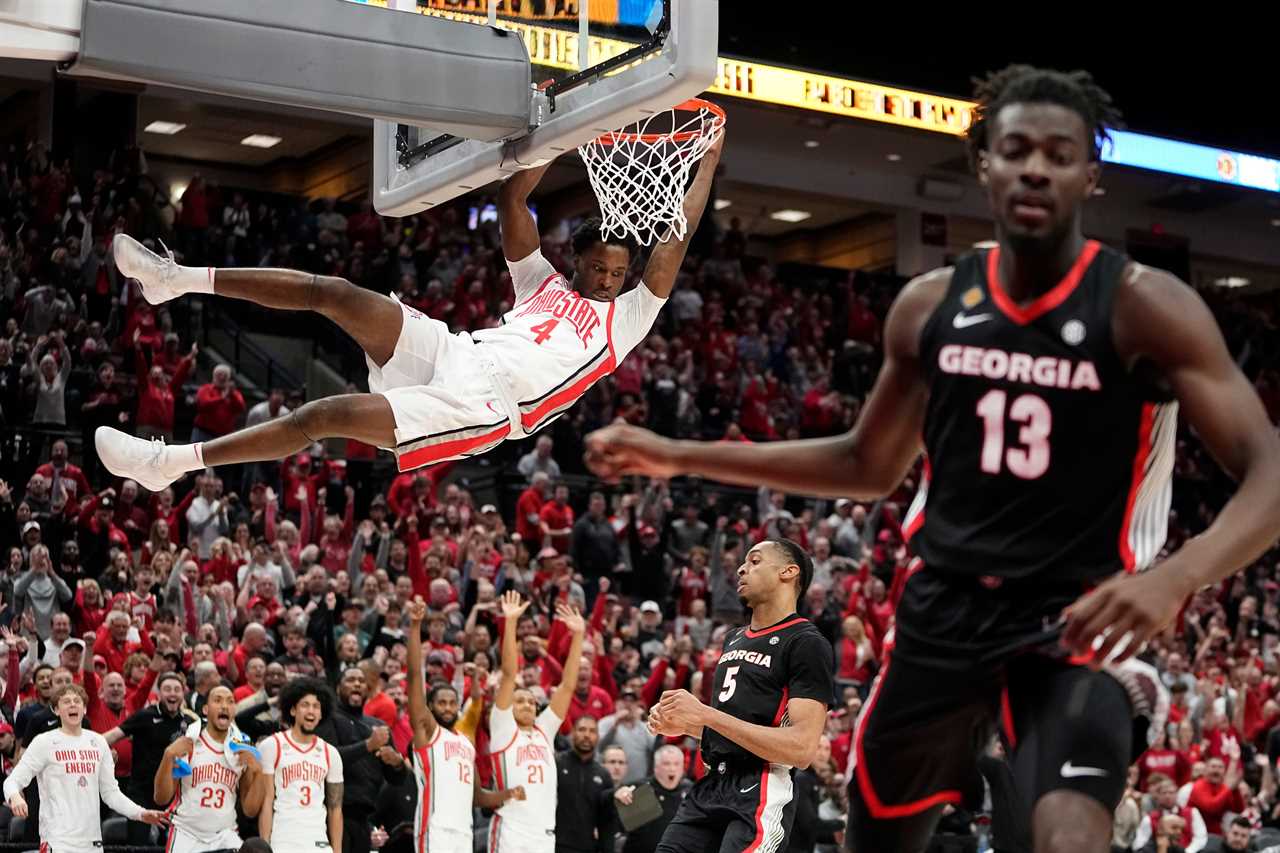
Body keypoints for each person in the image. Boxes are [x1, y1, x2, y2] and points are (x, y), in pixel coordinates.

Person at [584, 65, 1280, 853]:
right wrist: (678, 454)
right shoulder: (931, 304)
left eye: (1059, 152)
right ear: (983, 163)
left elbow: (1271, 470)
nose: (1035, 167)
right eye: (1016, 148)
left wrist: (1178, 575)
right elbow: (867, 463)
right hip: (942, 610)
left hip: (1078, 612)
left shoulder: (1147, 305)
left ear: (1091, 173)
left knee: (1068, 831)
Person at [95, 132, 726, 491]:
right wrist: (562, 131)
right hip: (459, 352)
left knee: (324, 413)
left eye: (618, 272)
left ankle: (171, 463)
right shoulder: (543, 282)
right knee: (336, 292)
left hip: (487, 410)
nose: (610, 280)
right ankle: (174, 279)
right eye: (599, 268)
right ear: (577, 259)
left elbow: (678, 236)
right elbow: (513, 201)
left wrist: (709, 156)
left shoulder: (631, 317)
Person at [630, 540, 833, 852]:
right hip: (712, 784)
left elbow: (801, 749)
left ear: (788, 572)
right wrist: (687, 727)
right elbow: (733, 730)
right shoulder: (733, 639)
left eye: (754, 561)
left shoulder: (806, 642)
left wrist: (704, 715)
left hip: (761, 785)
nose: (741, 568)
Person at [404, 596, 521, 853]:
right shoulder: (427, 732)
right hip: (434, 830)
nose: (447, 707)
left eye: (451, 703)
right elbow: (413, 678)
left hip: (463, 833)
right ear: (431, 707)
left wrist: (508, 795)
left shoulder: (465, 744)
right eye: (441, 703)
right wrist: (415, 627)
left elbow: (478, 796)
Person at [3, 684, 166, 852]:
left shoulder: (98, 742)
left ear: (85, 709)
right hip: (57, 842)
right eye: (66, 701)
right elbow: (12, 781)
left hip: (92, 843)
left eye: (77, 701)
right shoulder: (44, 742)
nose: (73, 704)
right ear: (56, 710)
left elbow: (111, 794)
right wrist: (15, 797)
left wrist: (140, 813)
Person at [489, 591, 587, 853]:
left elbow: (567, 686)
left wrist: (578, 636)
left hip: (543, 833)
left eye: (532, 702)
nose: (527, 705)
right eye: (520, 701)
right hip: (511, 828)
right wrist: (510, 623)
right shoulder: (502, 726)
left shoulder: (544, 730)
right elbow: (510, 674)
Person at [154, 685, 266, 853]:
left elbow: (250, 810)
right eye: (217, 700)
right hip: (187, 833)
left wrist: (258, 772)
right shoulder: (188, 742)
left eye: (230, 701)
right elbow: (161, 799)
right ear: (205, 709)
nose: (224, 706)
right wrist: (168, 755)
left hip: (224, 835)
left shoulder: (242, 749)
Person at [105, 670, 196, 843]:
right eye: (167, 689)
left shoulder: (190, 722)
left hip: (172, 794)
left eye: (177, 689)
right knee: (138, 844)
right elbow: (111, 736)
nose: (172, 693)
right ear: (160, 693)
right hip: (141, 793)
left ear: (183, 693)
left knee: (172, 845)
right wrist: (87, 747)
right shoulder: (145, 715)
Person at [258, 676, 344, 853]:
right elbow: (266, 801)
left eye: (316, 706)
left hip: (318, 841)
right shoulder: (272, 746)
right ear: (292, 710)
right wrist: (264, 845)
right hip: (283, 840)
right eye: (305, 705)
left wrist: (337, 851)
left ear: (321, 713)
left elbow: (335, 808)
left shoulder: (331, 753)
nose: (311, 711)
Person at [554, 714, 616, 853]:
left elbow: (606, 822)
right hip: (554, 845)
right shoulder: (556, 764)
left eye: (592, 731)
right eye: (582, 729)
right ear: (573, 733)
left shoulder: (603, 775)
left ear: (598, 737)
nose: (587, 735)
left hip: (587, 847)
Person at [614, 745, 693, 853]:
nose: (672, 769)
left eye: (677, 764)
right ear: (656, 767)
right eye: (666, 764)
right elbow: (617, 827)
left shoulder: (690, 791)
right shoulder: (640, 790)